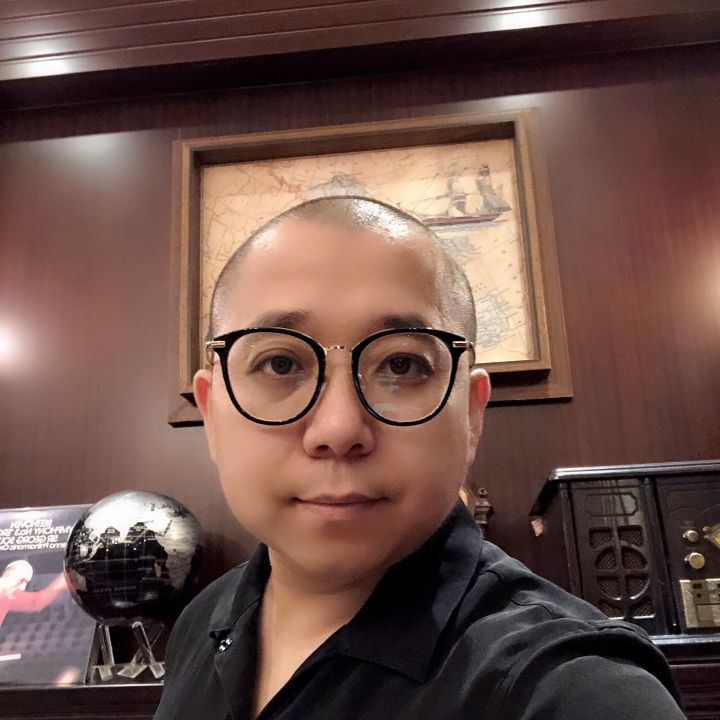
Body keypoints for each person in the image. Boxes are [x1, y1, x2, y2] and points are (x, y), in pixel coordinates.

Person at [154, 197, 684, 720]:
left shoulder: (575, 688)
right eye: (279, 363)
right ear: (211, 413)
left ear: (471, 414)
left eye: (401, 365)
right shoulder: (200, 622)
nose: (339, 429)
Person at [0, 560, 67, 627]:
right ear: (10, 575)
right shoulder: (9, 594)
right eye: (21, 581)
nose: (22, 588)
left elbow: (37, 602)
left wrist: (63, 580)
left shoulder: (10, 596)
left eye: (26, 583)